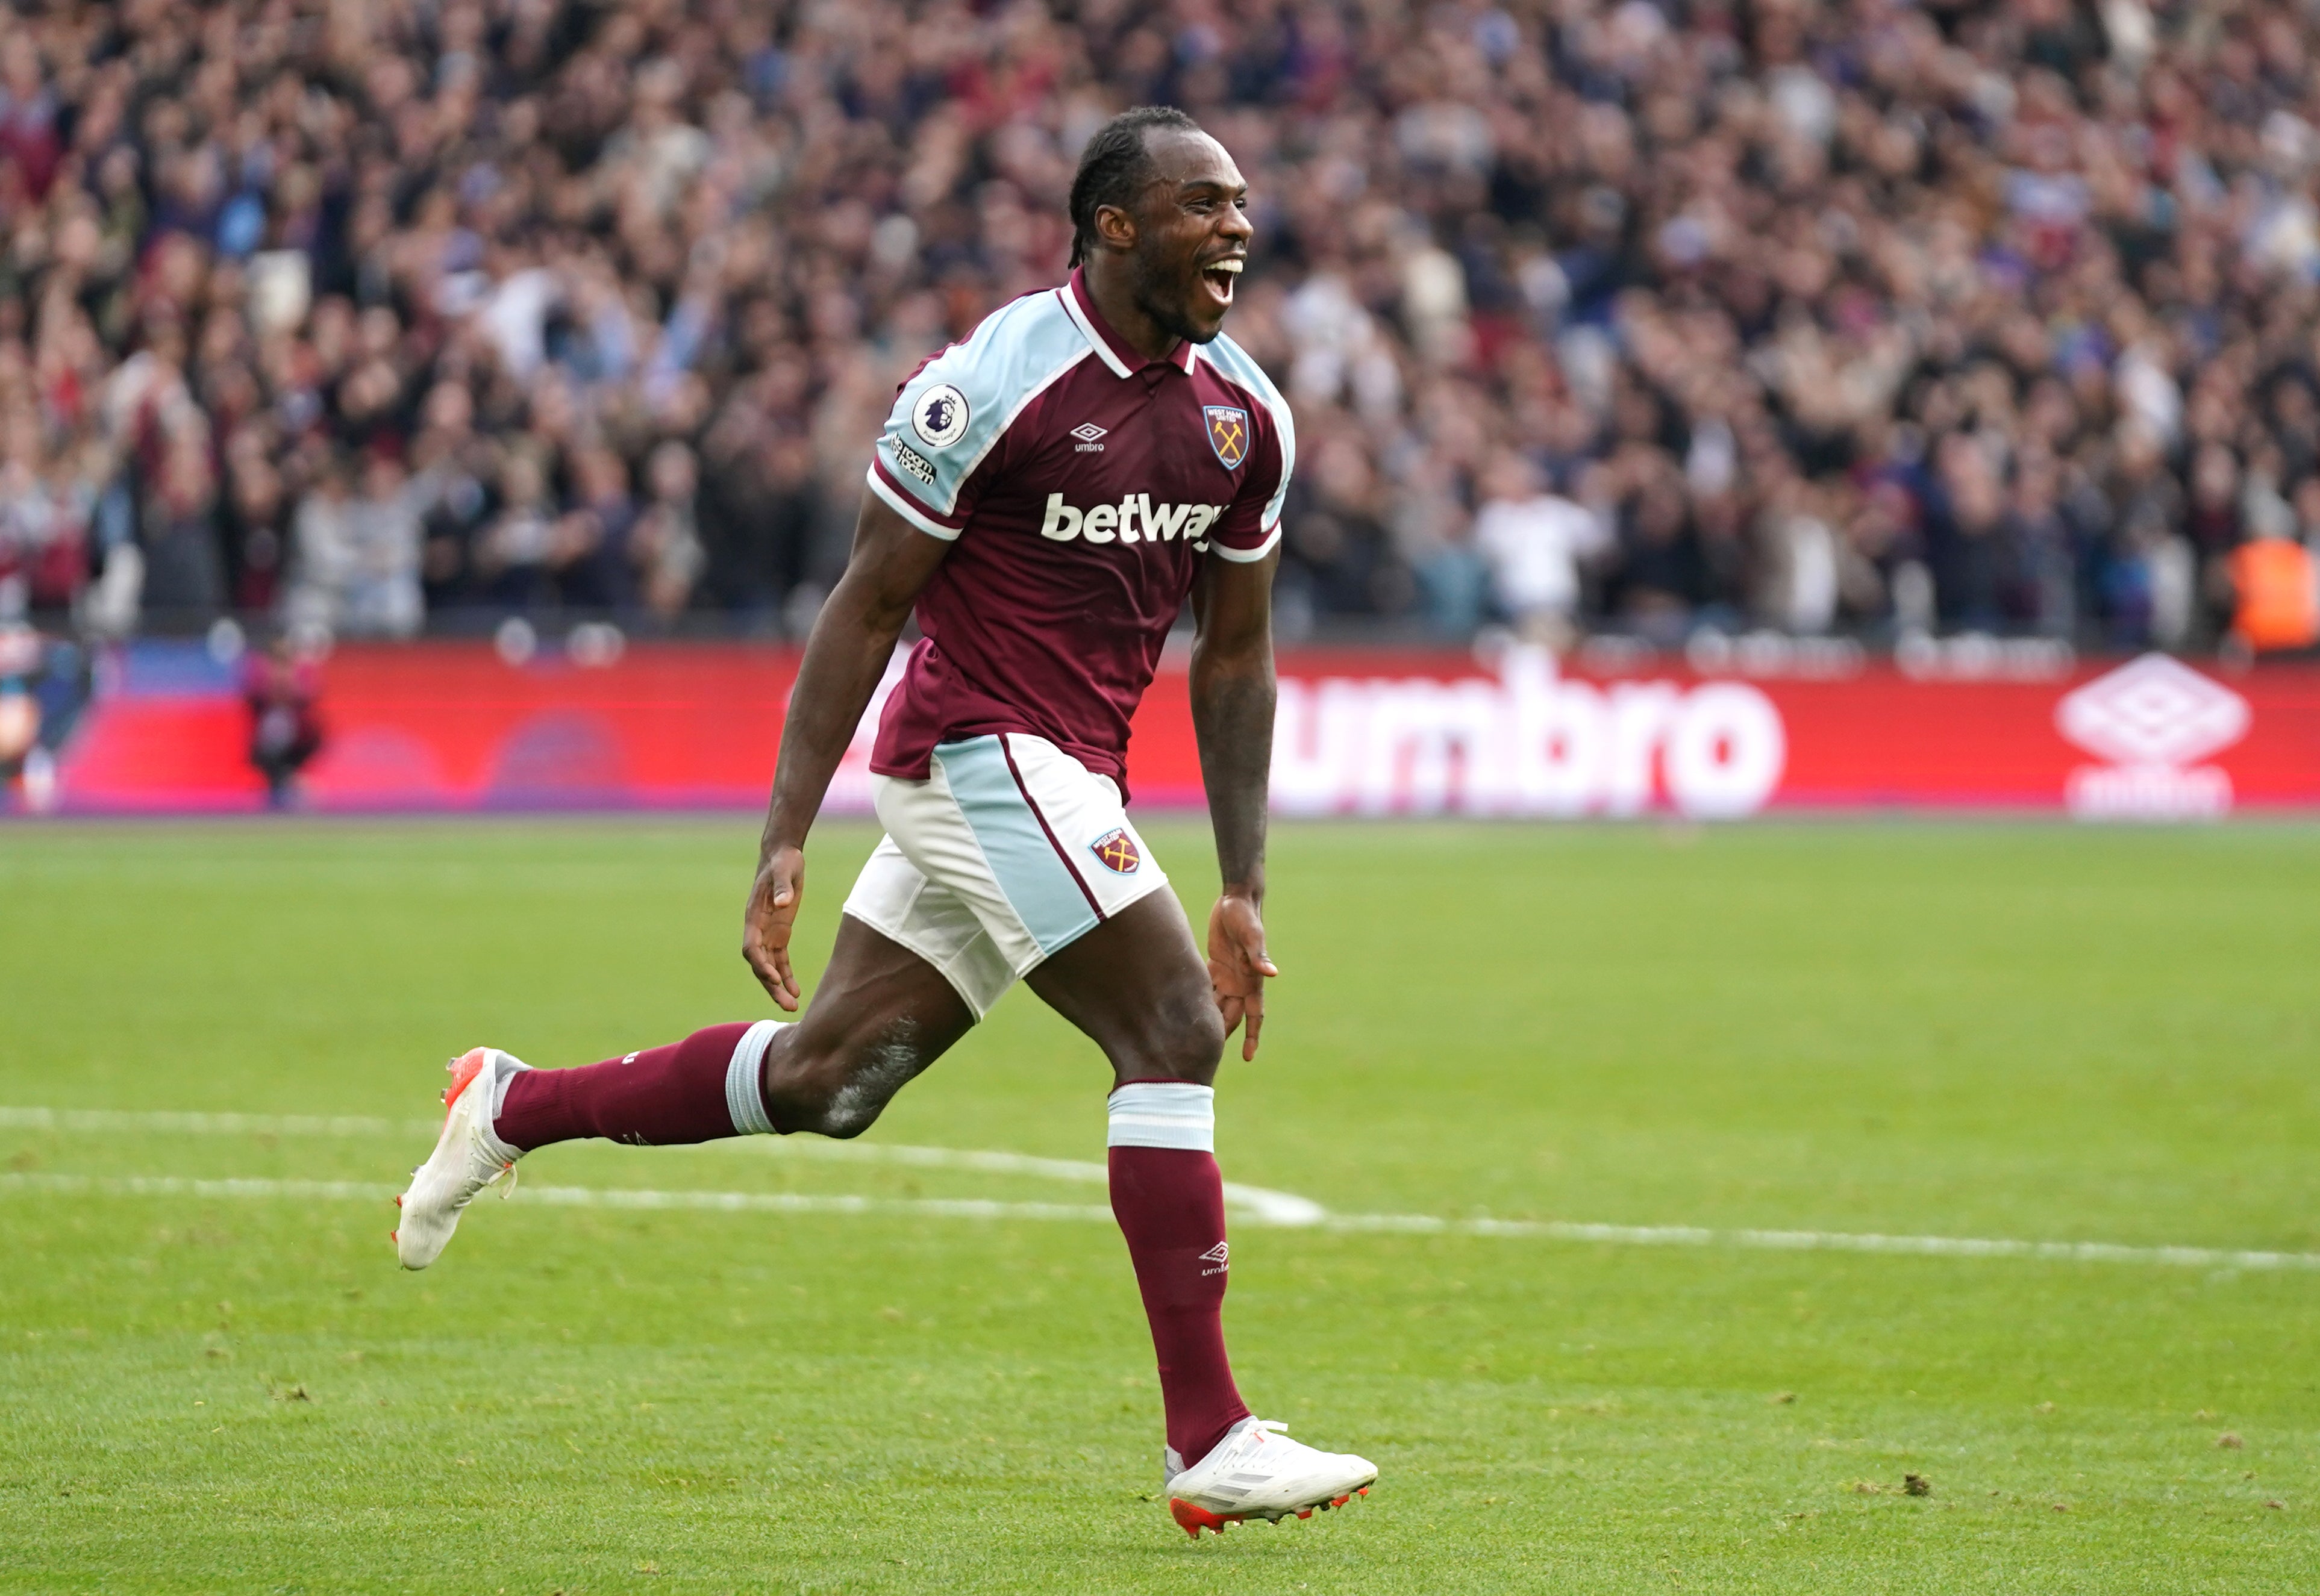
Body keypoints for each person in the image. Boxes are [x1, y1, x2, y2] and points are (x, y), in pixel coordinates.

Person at [391, 107, 1376, 1537]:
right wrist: (786, 832)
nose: (1237, 226)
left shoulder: (1246, 416)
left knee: (828, 1080)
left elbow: (1235, 655)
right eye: (1203, 203)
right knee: (1169, 1029)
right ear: (1115, 224)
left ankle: (511, 1104)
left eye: (1241, 202)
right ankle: (1210, 1432)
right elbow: (867, 601)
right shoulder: (988, 383)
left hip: (1070, 769)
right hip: (969, 746)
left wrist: (1246, 880)